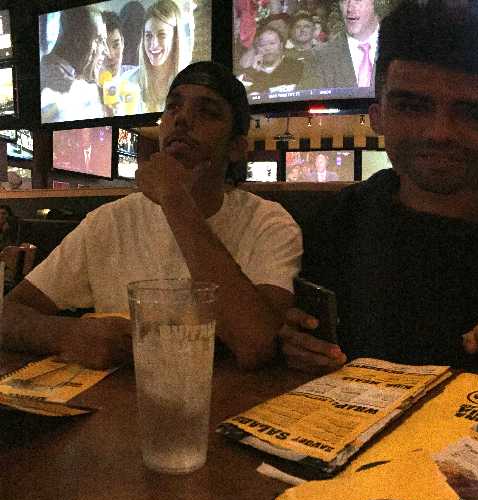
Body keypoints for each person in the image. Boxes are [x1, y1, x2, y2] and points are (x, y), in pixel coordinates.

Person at [279, 0, 478, 372]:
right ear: (378, 116)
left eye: (477, 115)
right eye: (413, 107)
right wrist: (294, 345)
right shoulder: (334, 225)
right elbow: (300, 340)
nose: (440, 133)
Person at [2, 61, 302, 371]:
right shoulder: (109, 222)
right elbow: (8, 315)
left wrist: (174, 199)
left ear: (237, 148)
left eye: (207, 111)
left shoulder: (267, 223)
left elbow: (258, 344)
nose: (182, 118)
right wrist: (67, 334)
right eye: (173, 107)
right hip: (127, 398)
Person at [298, 0, 394, 93]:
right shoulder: (319, 57)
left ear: (376, 3)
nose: (349, 8)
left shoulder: (397, 49)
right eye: (344, 1)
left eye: (357, 1)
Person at [40, 6, 109, 122]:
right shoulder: (68, 88)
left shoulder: (48, 68)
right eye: (99, 40)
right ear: (79, 41)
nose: (106, 52)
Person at [121, 0, 190, 113]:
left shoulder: (189, 83)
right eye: (148, 36)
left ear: (175, 39)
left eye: (162, 35)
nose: (153, 45)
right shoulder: (126, 81)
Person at [239, 24, 303, 95]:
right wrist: (252, 72)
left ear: (281, 45)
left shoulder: (296, 66)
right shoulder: (249, 72)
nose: (267, 48)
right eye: (262, 44)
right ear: (257, 48)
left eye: (272, 43)